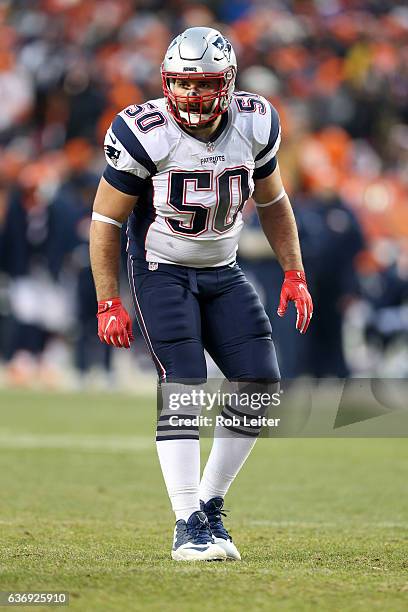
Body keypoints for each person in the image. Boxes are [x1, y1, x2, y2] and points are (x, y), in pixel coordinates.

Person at [89, 27, 313, 562]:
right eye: (182, 84)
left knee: (260, 384)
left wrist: (294, 272)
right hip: (161, 269)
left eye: (205, 83)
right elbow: (105, 219)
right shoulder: (145, 131)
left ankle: (209, 506)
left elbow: (274, 202)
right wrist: (107, 299)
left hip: (224, 268)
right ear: (167, 83)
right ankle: (186, 523)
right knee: (185, 385)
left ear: (228, 82)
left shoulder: (256, 122)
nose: (192, 95)